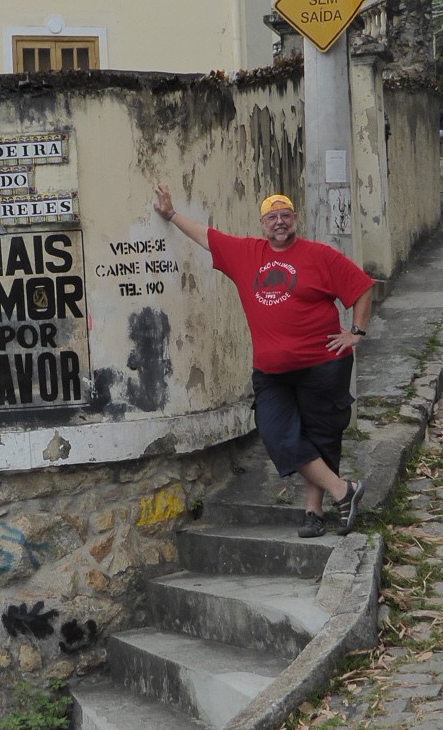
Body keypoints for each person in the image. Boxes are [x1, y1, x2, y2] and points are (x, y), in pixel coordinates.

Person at [153, 184, 375, 537]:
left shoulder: (320, 255)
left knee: (321, 436)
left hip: (323, 363)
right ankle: (342, 490)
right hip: (271, 372)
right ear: (262, 224)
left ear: (296, 219)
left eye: (285, 215)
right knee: (277, 434)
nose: (279, 222)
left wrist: (357, 332)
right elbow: (206, 236)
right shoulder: (246, 253)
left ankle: (314, 513)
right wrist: (171, 214)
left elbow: (362, 287)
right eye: (272, 217)